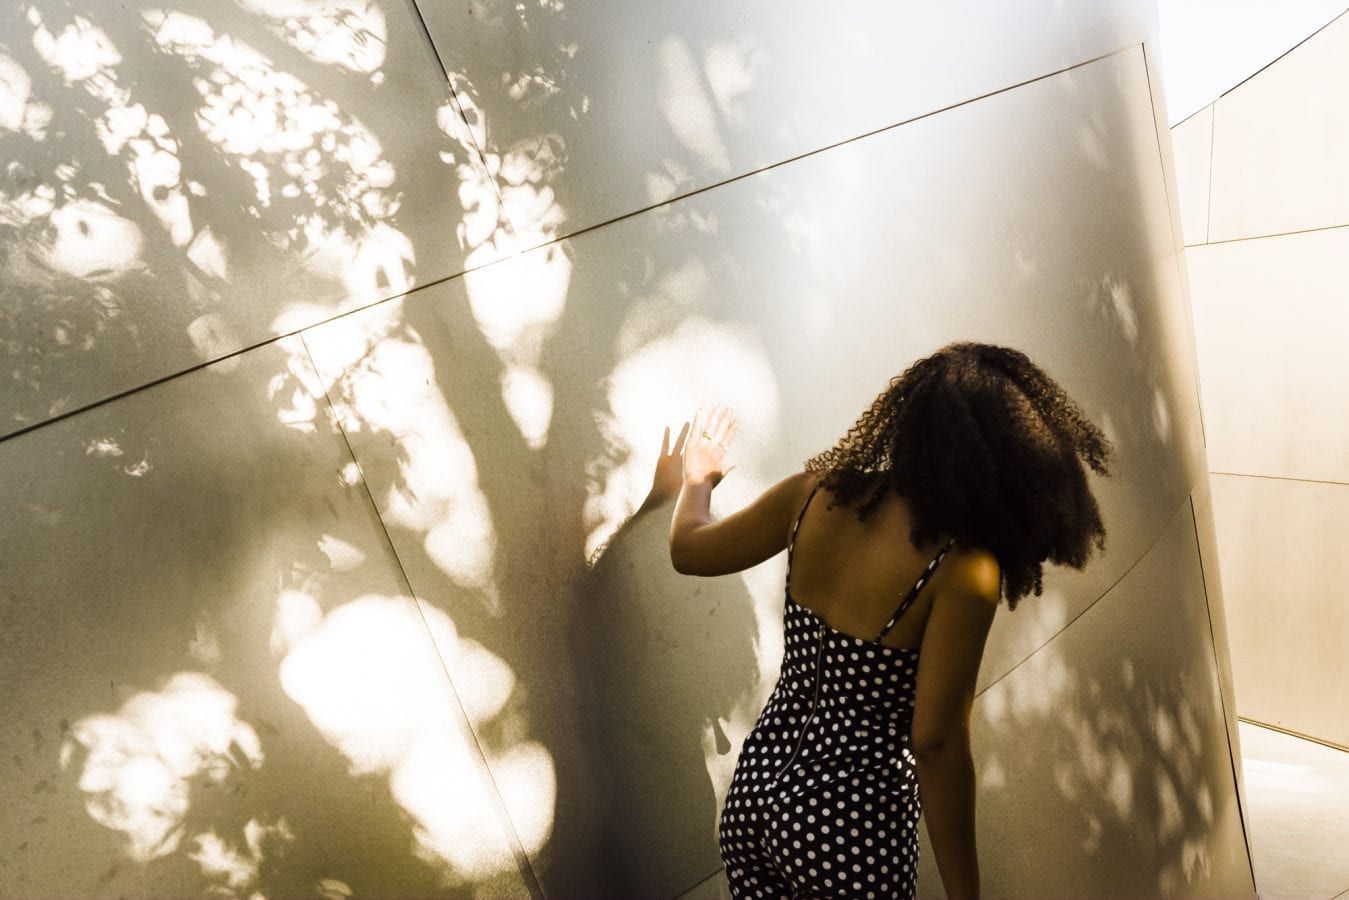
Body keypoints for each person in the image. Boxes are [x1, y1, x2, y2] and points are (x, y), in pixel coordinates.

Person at [646, 341, 1113, 899]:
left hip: (753, 798)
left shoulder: (814, 495)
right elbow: (936, 744)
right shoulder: (962, 569)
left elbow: (689, 551)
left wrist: (698, 478)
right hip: (848, 830)